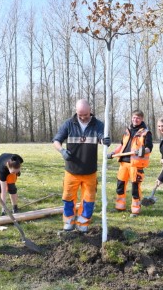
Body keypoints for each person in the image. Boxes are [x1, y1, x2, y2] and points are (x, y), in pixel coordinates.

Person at [53, 99, 110, 233]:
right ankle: (68, 222)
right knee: (68, 198)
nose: (83, 117)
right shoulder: (69, 124)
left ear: (90, 111)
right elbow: (56, 140)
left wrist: (104, 140)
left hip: (90, 171)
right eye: (80, 114)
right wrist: (61, 151)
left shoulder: (98, 124)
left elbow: (102, 137)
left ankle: (83, 224)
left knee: (88, 200)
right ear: (76, 112)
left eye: (85, 114)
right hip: (71, 170)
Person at [108, 109, 153, 217]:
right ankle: (120, 206)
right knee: (120, 185)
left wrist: (142, 151)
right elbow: (121, 145)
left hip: (136, 165)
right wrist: (113, 152)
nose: (135, 119)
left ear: (142, 119)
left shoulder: (146, 132)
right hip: (123, 163)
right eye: (134, 117)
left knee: (135, 187)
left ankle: (135, 209)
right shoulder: (127, 130)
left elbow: (149, 148)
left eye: (138, 118)